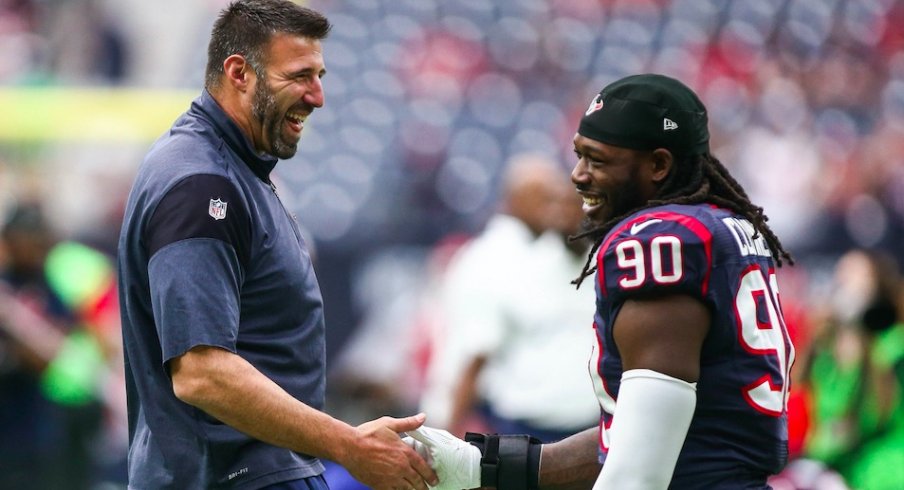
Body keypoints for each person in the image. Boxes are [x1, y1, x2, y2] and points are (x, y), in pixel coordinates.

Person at [405, 73, 797, 490]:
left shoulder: (657, 243)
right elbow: (633, 436)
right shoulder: (723, 227)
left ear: (658, 165)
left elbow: (638, 473)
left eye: (598, 160)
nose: (577, 176)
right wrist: (480, 465)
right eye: (578, 156)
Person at [116, 1, 437, 489]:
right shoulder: (203, 184)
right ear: (239, 72)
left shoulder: (234, 172)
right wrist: (347, 444)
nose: (318, 96)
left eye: (320, 75)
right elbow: (202, 373)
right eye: (300, 75)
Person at [419, 153, 598, 442]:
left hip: (577, 419)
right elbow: (473, 353)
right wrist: (444, 428)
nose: (556, 208)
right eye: (547, 198)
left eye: (562, 198)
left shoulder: (547, 251)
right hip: (521, 419)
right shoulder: (495, 259)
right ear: (513, 200)